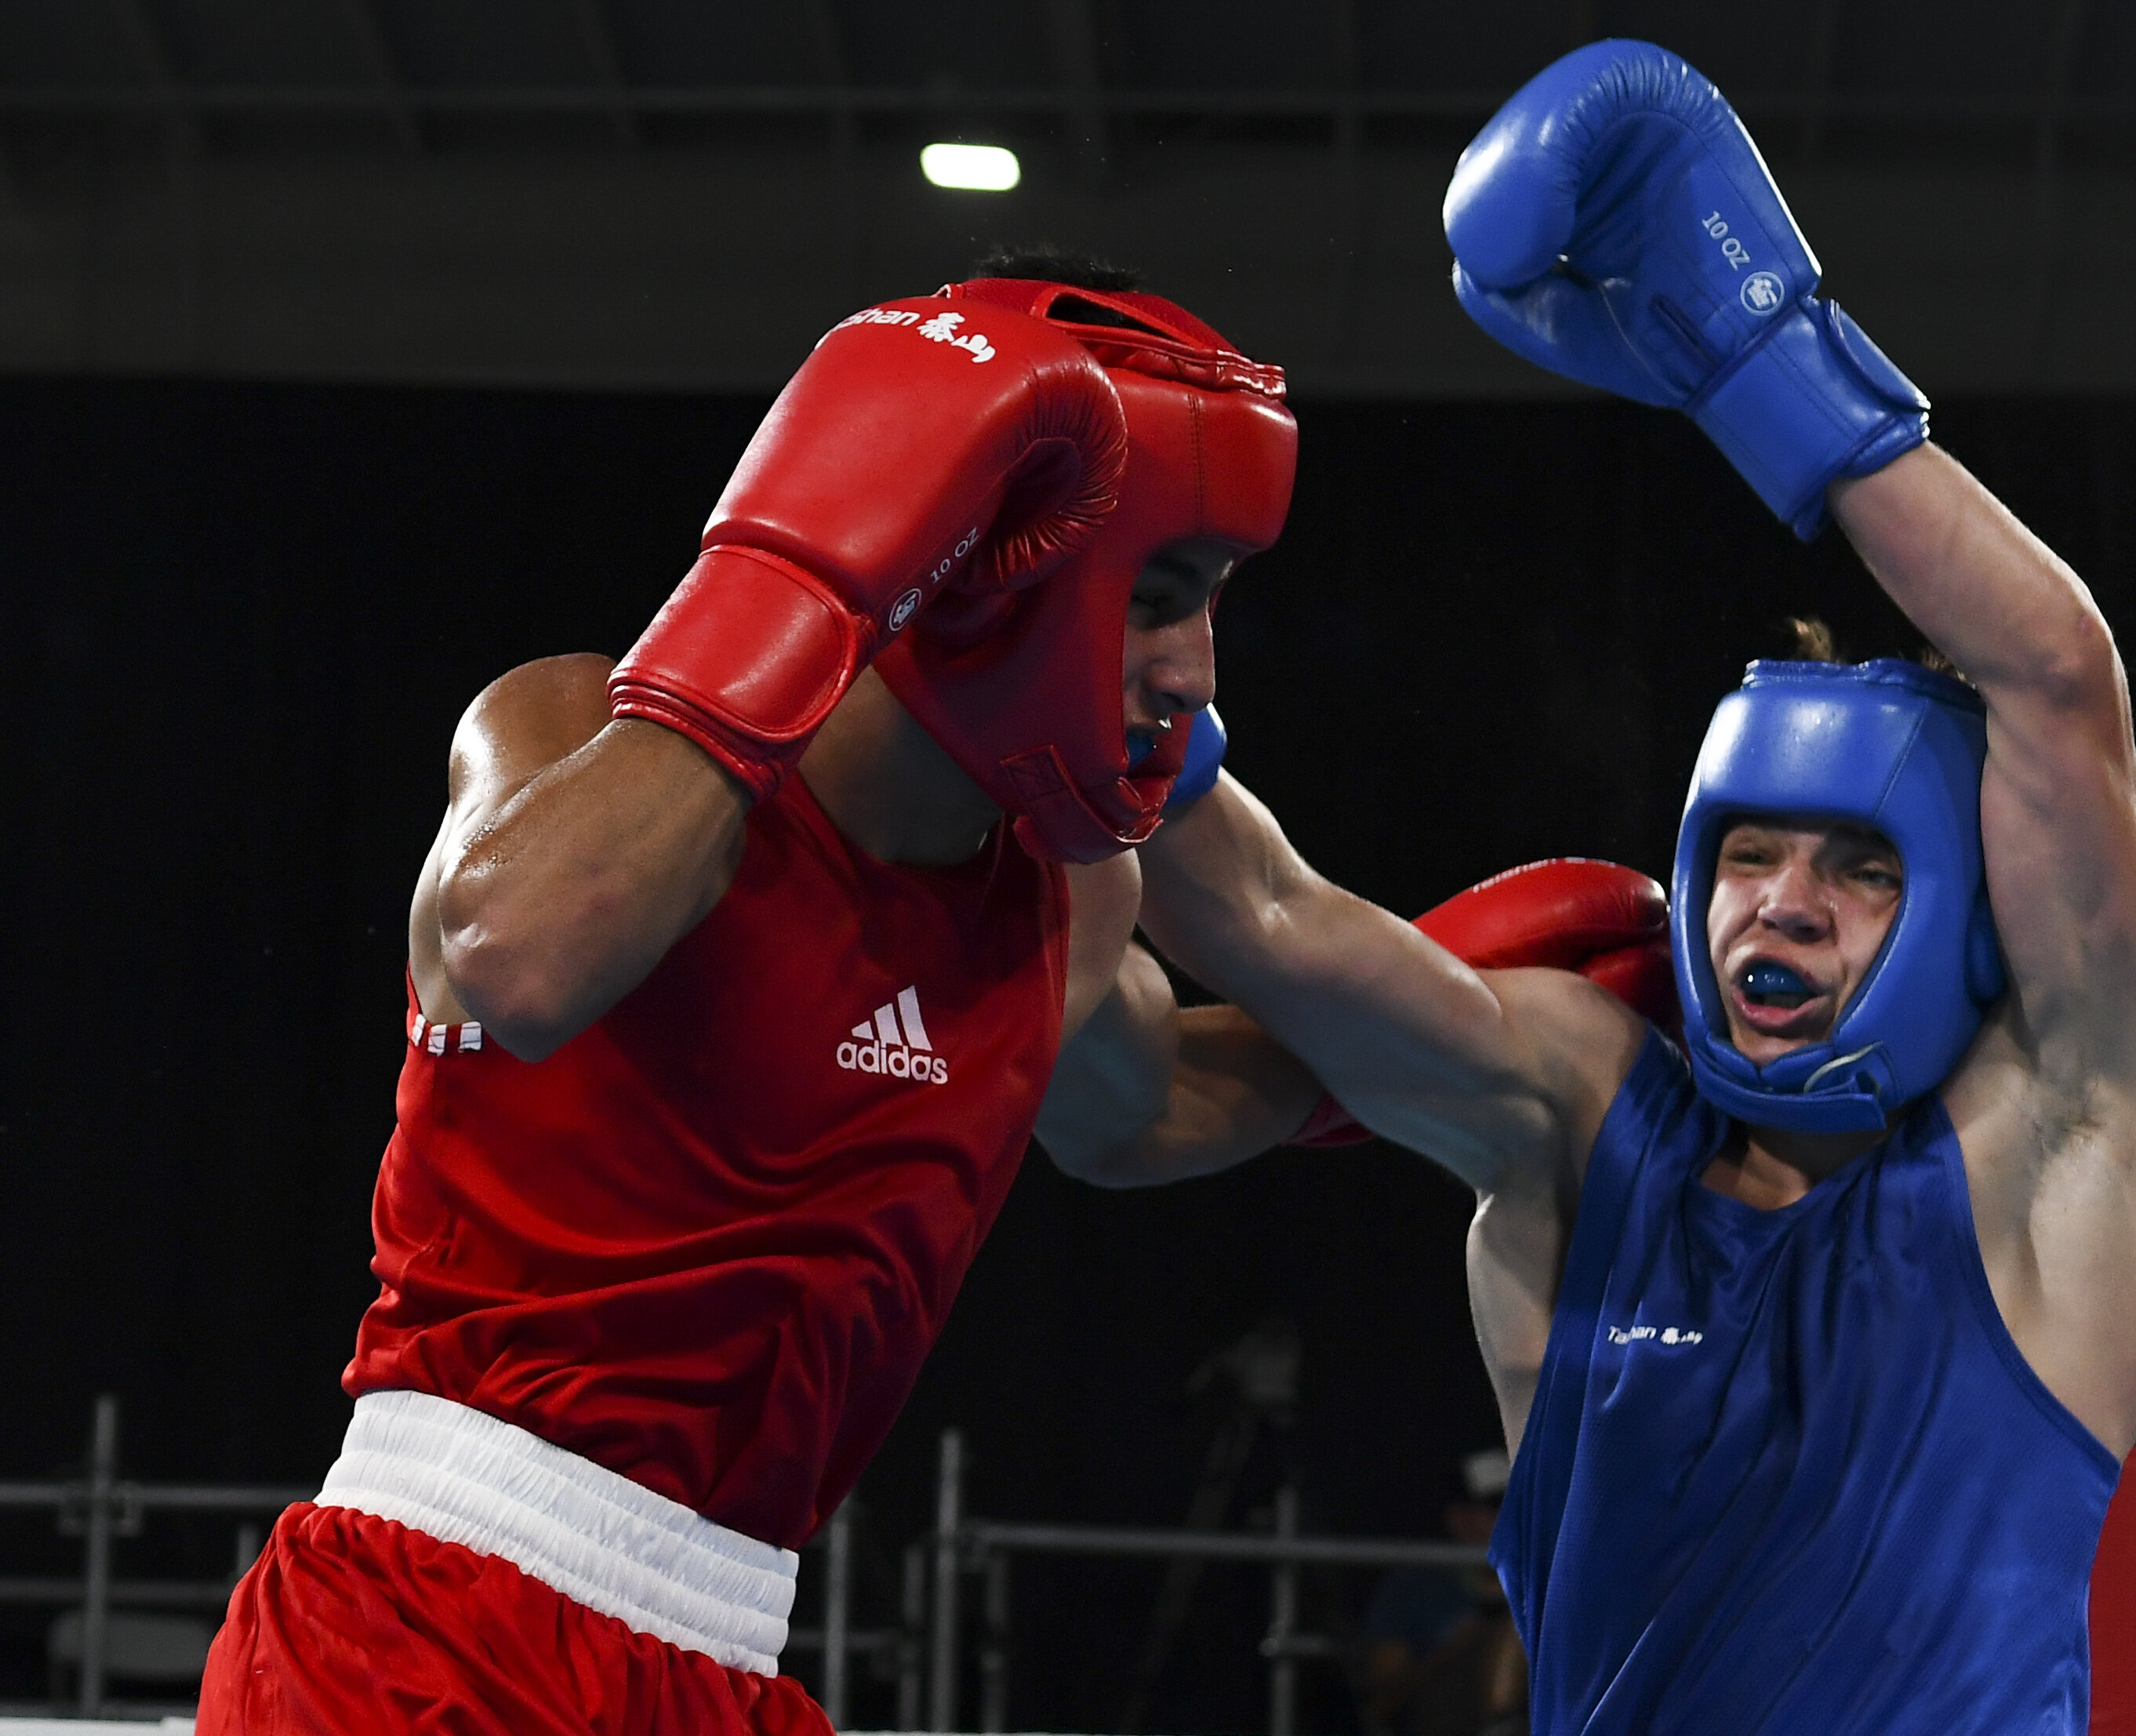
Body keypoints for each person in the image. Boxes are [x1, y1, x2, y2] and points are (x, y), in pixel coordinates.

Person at [1108, 41, 2136, 1734]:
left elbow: (2052, 680)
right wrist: (1083, 646)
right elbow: (1273, 922)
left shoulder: (2039, 1159)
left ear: (1968, 916)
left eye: (1858, 867)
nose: (1781, 904)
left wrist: (1760, 360)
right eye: (1747, 852)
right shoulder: (1579, 1122)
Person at [194, 252, 1321, 1734]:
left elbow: (1147, 1098)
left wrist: (1550, 1057)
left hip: (727, 1652)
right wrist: (809, 567)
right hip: (430, 1618)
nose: (1193, 669)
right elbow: (512, 951)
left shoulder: (1056, 897)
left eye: (1212, 600)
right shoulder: (573, 730)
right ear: (982, 552)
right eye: (1155, 594)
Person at [1357, 1450, 1529, 1736]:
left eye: (1522, 1506)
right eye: (1498, 1508)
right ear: (1459, 1519)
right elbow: (1385, 1697)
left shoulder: (1548, 1580)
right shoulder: (1418, 1588)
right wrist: (1460, 1647)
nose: (1516, 1520)